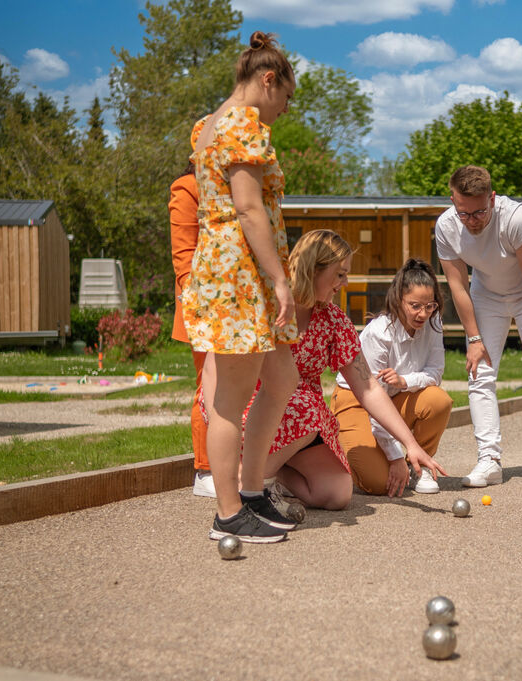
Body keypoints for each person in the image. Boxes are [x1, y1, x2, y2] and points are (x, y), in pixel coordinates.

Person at [181, 31, 300, 543]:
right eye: (287, 96)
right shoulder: (243, 124)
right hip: (240, 271)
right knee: (231, 398)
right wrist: (280, 278)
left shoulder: (209, 124)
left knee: (282, 381)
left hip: (233, 266)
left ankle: (251, 492)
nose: (286, 109)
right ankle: (228, 513)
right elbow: (249, 209)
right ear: (267, 80)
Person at [251, 233, 447, 509]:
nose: (345, 283)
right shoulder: (269, 305)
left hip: (302, 421)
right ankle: (250, 481)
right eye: (340, 274)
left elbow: (367, 387)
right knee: (307, 407)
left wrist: (410, 444)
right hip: (261, 408)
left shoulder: (333, 319)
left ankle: (278, 472)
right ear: (313, 268)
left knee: (337, 493)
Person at [436, 165, 522, 488]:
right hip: (485, 292)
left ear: (492, 198)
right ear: (453, 200)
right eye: (463, 212)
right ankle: (489, 460)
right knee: (478, 371)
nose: (472, 220)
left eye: (479, 211)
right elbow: (458, 287)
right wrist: (474, 338)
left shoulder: (516, 218)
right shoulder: (446, 226)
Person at [331, 258, 453, 497]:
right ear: (399, 300)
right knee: (379, 484)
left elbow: (435, 373)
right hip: (357, 400)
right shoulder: (379, 332)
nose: (423, 314)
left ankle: (419, 465)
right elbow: (373, 396)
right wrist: (395, 456)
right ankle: (341, 450)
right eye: (415, 305)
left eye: (429, 306)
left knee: (439, 401)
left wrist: (405, 381)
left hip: (395, 396)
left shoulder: (433, 322)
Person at [168, 163, 213, 498]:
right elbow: (184, 256)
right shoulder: (187, 187)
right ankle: (205, 469)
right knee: (209, 386)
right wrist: (199, 308)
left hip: (242, 305)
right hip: (205, 307)